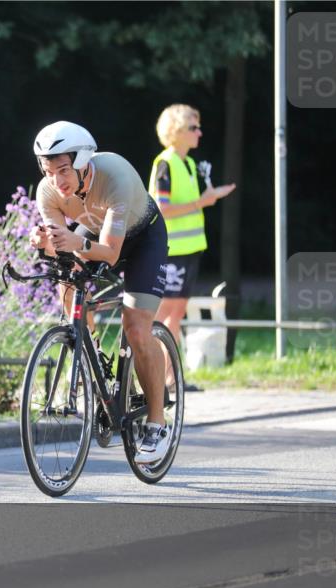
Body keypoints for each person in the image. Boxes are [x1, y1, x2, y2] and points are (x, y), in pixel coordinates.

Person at [28, 121, 170, 464]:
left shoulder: (116, 175)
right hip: (95, 235)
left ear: (82, 162)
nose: (57, 181)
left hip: (142, 240)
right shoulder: (48, 192)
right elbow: (62, 249)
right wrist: (46, 244)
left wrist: (75, 243)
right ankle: (88, 352)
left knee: (136, 328)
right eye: (49, 171)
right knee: (66, 281)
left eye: (64, 170)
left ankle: (157, 423)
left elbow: (109, 253)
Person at [148, 104, 235, 387]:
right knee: (163, 317)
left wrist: (209, 197)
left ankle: (171, 379)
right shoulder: (165, 163)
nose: (199, 132)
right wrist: (202, 202)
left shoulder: (186, 163)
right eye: (193, 127)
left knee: (176, 316)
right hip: (172, 252)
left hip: (189, 251)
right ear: (176, 131)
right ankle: (153, 377)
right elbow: (162, 208)